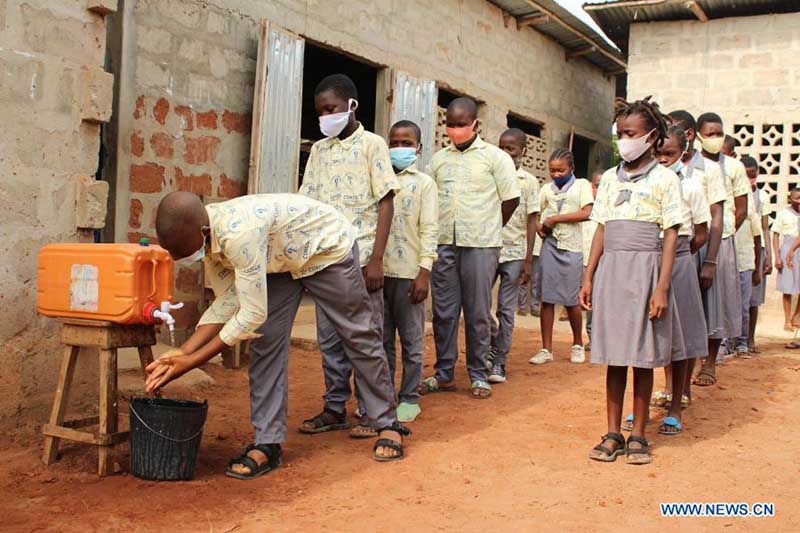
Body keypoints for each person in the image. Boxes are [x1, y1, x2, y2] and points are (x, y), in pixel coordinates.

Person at [145, 192, 409, 478]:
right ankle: (268, 442)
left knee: (357, 333)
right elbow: (230, 301)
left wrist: (193, 361)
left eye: (184, 251)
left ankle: (387, 422)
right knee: (265, 341)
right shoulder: (207, 240)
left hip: (324, 247)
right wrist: (182, 353)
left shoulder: (238, 235)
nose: (183, 258)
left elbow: (249, 315)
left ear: (203, 232)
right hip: (278, 260)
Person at [582, 96, 683, 465]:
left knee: (642, 357)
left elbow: (671, 234)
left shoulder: (666, 179)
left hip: (646, 272)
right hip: (613, 271)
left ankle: (638, 433)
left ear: (651, 135)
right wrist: (589, 275)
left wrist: (662, 287)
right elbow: (601, 228)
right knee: (614, 358)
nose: (623, 140)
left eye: (630, 133)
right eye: (620, 133)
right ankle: (612, 433)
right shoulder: (609, 178)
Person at [298, 74, 399, 437]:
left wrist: (377, 259)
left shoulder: (373, 145)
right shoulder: (319, 152)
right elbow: (307, 204)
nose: (325, 116)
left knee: (366, 337)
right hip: (326, 262)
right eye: (320, 112)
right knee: (330, 339)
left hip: (360, 260)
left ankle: (375, 413)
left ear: (351, 105)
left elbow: (386, 200)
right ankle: (334, 406)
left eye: (331, 109)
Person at [420, 97, 520, 399]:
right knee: (444, 311)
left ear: (475, 124)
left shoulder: (495, 158)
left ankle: (478, 374)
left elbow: (511, 199)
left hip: (481, 245)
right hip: (445, 244)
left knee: (477, 312)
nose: (455, 130)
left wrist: (489, 227)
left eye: (461, 124)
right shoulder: (439, 160)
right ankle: (444, 372)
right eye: (450, 124)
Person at [648, 125, 709, 436]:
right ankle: (655, 395)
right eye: (658, 153)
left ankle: (676, 404)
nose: (662, 159)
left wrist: (683, 256)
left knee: (683, 334)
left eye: (669, 154)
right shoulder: (648, 182)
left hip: (681, 257)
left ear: (682, 153)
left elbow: (701, 231)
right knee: (653, 332)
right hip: (650, 257)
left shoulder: (692, 186)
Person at [382, 120, 438, 421]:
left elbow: (430, 229)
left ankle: (408, 396)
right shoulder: (378, 178)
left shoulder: (424, 184)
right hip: (379, 273)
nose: (399, 148)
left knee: (412, 340)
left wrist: (424, 272)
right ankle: (385, 395)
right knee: (381, 340)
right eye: (394, 142)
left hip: (409, 274)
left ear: (418, 148)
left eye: (406, 143)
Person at [667, 110, 726, 396]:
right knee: (673, 319)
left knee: (697, 315)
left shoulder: (709, 170)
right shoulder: (660, 169)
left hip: (699, 248)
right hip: (676, 251)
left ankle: (703, 368)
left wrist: (709, 260)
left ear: (687, 136)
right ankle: (672, 386)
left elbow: (716, 217)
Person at [691, 112, 750, 387]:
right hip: (691, 239)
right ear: (698, 135)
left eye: (719, 133)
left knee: (715, 304)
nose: (715, 138)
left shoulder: (735, 167)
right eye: (710, 133)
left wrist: (721, 240)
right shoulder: (689, 163)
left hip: (720, 240)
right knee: (691, 303)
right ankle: (688, 359)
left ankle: (710, 362)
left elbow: (740, 210)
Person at [529, 148, 593, 365]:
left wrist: (555, 219)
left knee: (571, 299)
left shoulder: (582, 185)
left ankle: (577, 343)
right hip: (550, 246)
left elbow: (587, 213)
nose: (556, 175)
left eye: (561, 170)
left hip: (571, 248)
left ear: (571, 168)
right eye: (552, 171)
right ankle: (546, 349)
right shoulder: (546, 189)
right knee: (547, 299)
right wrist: (540, 226)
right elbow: (534, 213)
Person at [487, 128, 540, 383]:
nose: (506, 153)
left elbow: (532, 220)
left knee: (506, 310)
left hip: (514, 253)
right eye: (502, 147)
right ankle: (491, 344)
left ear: (523, 151)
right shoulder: (489, 175)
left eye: (512, 148)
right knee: (478, 306)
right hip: (486, 248)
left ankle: (499, 362)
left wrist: (528, 260)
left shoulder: (529, 182)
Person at [733, 157, 763, 358]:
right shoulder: (726, 202)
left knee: (744, 305)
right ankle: (727, 342)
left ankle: (743, 342)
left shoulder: (751, 206)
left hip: (745, 261)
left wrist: (759, 267)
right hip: (726, 261)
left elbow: (758, 237)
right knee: (727, 305)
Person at [745, 156, 772, 352]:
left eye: (753, 176)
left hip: (758, 248)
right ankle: (734, 340)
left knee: (754, 299)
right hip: (740, 246)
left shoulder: (762, 197)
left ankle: (750, 339)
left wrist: (768, 255)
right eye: (747, 176)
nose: (750, 180)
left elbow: (764, 228)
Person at [772, 188, 800, 334]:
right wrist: (777, 256)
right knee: (787, 287)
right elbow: (775, 235)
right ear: (790, 199)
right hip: (788, 248)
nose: (799, 201)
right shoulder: (783, 214)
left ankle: (797, 316)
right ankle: (787, 320)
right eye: (796, 198)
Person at [582, 171, 603, 351]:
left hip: (603, 263)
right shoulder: (584, 210)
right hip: (583, 261)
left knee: (601, 300)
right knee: (589, 300)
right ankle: (591, 336)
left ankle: (600, 337)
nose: (599, 190)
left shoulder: (611, 209)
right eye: (597, 185)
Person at [518, 237, 543, 317]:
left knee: (536, 280)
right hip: (524, 248)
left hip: (538, 249)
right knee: (523, 278)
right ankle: (522, 307)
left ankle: (534, 307)